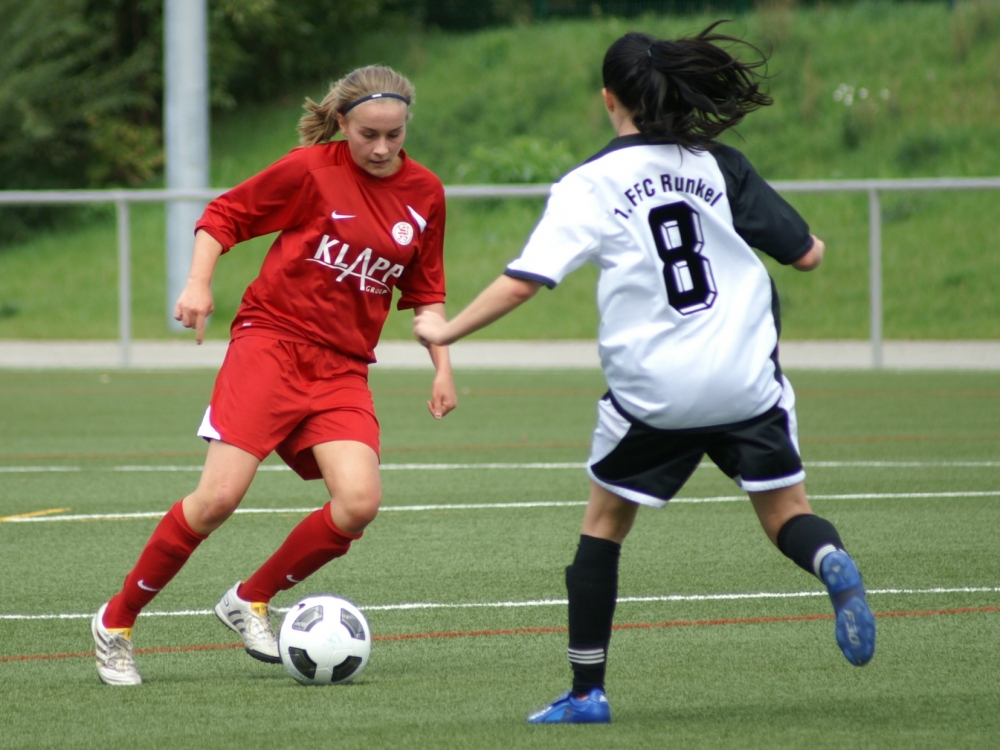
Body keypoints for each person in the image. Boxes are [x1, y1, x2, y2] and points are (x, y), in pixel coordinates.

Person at [414, 25, 875, 724]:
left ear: (609, 99)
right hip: (747, 379)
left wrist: (444, 329)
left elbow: (524, 280)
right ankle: (831, 562)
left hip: (656, 394)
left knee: (603, 525)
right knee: (788, 514)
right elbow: (805, 255)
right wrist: (808, 241)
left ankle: (586, 693)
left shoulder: (589, 183)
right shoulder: (718, 164)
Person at [92, 65, 456, 686]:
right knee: (217, 501)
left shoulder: (425, 193)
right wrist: (198, 284)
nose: (381, 148)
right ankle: (117, 623)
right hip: (271, 344)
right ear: (343, 123)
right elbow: (223, 216)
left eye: (394, 135)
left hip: (341, 367)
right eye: (368, 133)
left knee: (358, 503)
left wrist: (443, 365)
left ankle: (251, 598)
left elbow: (426, 294)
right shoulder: (311, 169)